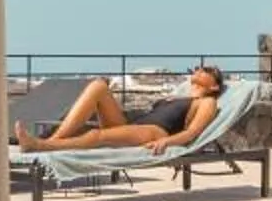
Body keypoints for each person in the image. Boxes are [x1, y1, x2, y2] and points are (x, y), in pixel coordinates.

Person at [13, 65, 226, 154]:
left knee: (97, 134)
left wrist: (166, 141)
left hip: (156, 131)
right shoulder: (182, 95)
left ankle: (42, 146)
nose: (199, 69)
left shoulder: (207, 101)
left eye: (206, 70)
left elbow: (192, 132)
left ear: (214, 85)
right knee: (98, 86)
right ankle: (52, 142)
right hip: (135, 126)